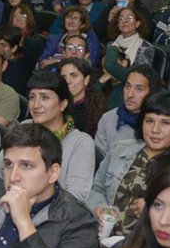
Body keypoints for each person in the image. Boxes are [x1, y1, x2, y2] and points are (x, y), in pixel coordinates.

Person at [89, 91, 170, 237]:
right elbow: (97, 188)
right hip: (107, 241)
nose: (155, 130)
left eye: (165, 123)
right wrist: (100, 208)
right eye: (149, 121)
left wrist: (156, 210)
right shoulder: (120, 150)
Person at [23, 71, 96, 204]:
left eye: (44, 98)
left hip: (54, 216)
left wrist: (31, 204)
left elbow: (76, 195)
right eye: (32, 97)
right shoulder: (23, 129)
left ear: (63, 104)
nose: (36, 105)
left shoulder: (80, 142)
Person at [94, 65, 156, 157]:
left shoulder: (157, 125)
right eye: (127, 86)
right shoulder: (108, 118)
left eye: (139, 89)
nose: (130, 94)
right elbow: (99, 161)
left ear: (151, 93)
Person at [100, 7, 155, 106]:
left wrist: (115, 70)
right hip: (109, 86)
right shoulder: (111, 45)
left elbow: (141, 76)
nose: (124, 21)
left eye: (129, 18)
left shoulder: (145, 47)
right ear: (117, 25)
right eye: (121, 19)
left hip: (131, 90)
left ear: (137, 24)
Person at [59, 57, 105, 137]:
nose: (67, 81)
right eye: (63, 77)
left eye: (73, 75)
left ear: (86, 80)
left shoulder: (97, 112)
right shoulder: (54, 106)